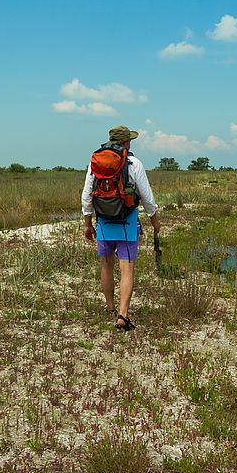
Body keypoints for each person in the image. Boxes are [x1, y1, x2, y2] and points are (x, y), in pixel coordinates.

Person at [81, 125, 161, 330]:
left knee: (106, 265)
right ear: (127, 142)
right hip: (126, 220)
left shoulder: (95, 163)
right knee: (127, 268)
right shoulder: (134, 163)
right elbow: (146, 196)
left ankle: (110, 308)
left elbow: (87, 194)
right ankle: (122, 315)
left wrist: (88, 223)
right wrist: (154, 220)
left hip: (104, 221)